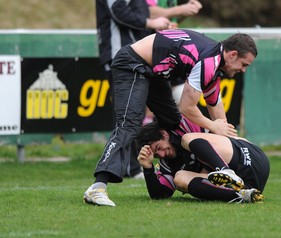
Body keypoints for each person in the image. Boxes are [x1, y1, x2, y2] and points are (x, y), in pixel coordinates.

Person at [83, 29, 258, 206]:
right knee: (129, 124)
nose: (243, 70)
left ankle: (210, 171)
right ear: (233, 54)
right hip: (132, 65)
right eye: (244, 64)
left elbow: (215, 106)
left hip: (152, 72)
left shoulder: (214, 62)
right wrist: (214, 127)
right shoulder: (208, 62)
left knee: (174, 121)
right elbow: (186, 108)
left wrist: (236, 147)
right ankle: (97, 187)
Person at [95, 0, 173, 179]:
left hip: (141, 59)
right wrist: (151, 23)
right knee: (127, 117)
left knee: (142, 115)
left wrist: (158, 29)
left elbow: (140, 14)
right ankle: (128, 167)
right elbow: (118, 11)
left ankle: (135, 165)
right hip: (121, 58)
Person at [136, 118, 270, 203]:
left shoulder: (182, 127)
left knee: (188, 139)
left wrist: (214, 123)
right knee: (180, 178)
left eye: (159, 147)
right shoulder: (167, 165)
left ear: (164, 133)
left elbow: (189, 108)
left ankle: (225, 171)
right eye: (157, 155)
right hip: (250, 184)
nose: (162, 154)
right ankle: (242, 196)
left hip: (250, 157)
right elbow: (160, 196)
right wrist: (148, 168)